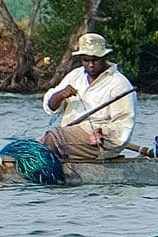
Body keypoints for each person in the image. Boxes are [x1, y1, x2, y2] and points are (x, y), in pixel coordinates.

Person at [40, 32, 135, 161]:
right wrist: (60, 95)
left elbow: (124, 124)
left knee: (52, 139)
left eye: (95, 60)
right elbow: (50, 107)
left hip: (99, 143)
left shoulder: (119, 84)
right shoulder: (75, 76)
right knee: (32, 147)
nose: (90, 65)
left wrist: (102, 132)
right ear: (81, 59)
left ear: (104, 57)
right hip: (68, 135)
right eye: (86, 60)